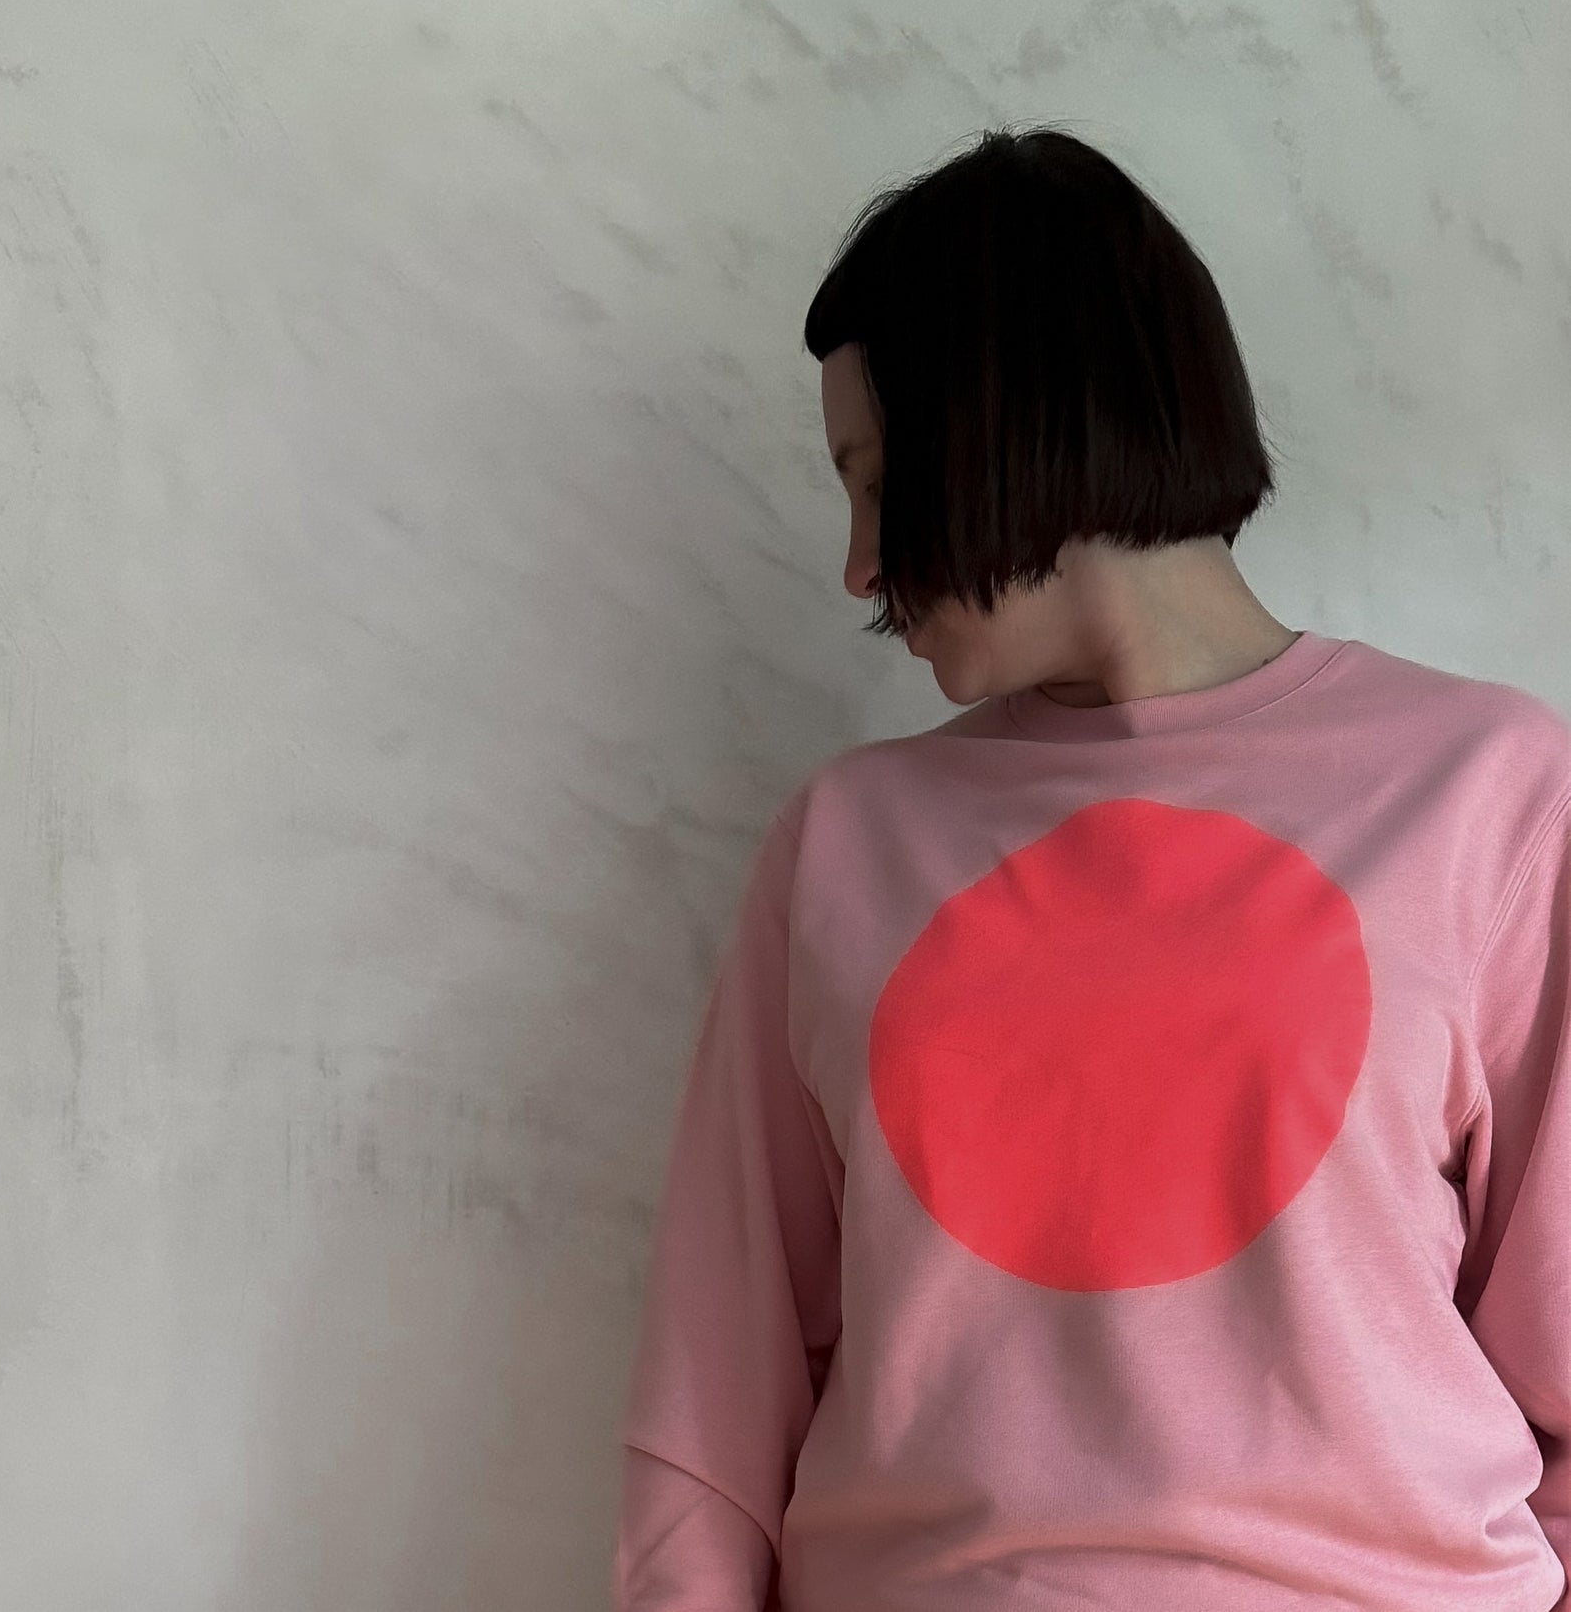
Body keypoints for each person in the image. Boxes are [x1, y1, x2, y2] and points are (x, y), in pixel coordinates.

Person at [610, 125, 1569, 1610]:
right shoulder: (847, 844)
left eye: (876, 480)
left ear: (1011, 424)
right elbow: (713, 1401)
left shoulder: (1486, 794)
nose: (859, 566)